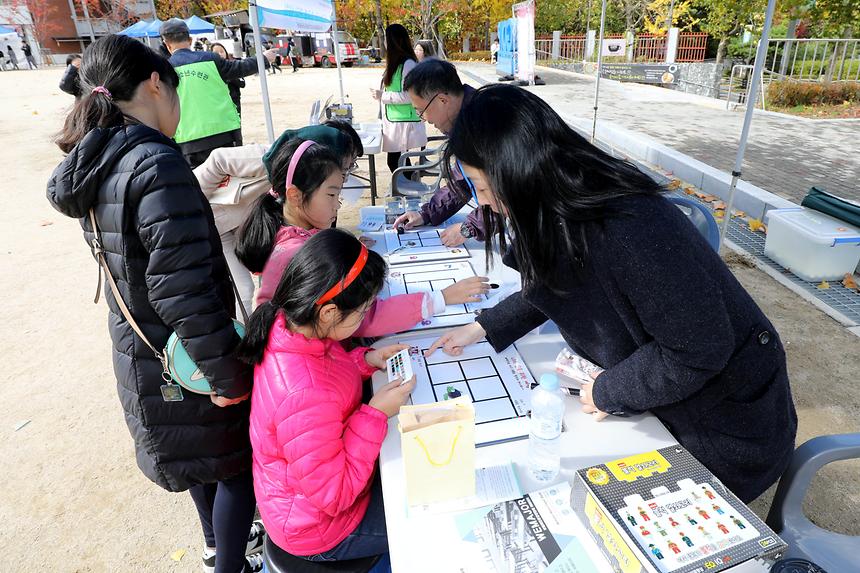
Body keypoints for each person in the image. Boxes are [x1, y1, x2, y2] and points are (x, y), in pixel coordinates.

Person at [426, 85, 798, 503]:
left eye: (484, 186)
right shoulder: (557, 206)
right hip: (670, 402)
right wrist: (483, 326)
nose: (486, 203)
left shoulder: (631, 225)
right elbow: (551, 282)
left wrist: (608, 391)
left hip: (724, 427)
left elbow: (699, 350)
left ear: (519, 169)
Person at [46, 34, 265, 573]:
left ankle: (217, 546)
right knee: (235, 462)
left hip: (143, 346)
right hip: (185, 350)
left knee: (198, 459)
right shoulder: (154, 163)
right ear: (153, 84)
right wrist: (227, 376)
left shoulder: (97, 158)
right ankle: (230, 565)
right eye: (174, 91)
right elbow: (182, 289)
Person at [240, 228, 415, 563]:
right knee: (425, 516)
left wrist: (365, 360)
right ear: (329, 313)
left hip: (308, 499)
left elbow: (325, 373)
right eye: (363, 311)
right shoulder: (302, 394)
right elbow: (335, 495)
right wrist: (375, 413)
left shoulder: (291, 327)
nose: (365, 317)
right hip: (322, 528)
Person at [234, 134, 489, 335]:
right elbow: (362, 318)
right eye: (332, 195)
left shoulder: (292, 236)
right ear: (295, 195)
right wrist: (440, 298)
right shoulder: (300, 253)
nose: (338, 205)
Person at [394, 58, 488, 246]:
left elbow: (510, 192)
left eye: (421, 111)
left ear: (442, 100)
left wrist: (469, 227)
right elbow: (462, 181)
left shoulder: (485, 124)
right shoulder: (466, 121)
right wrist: (426, 213)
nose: (423, 119)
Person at [160, 18, 275, 168]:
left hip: (189, 141)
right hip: (224, 133)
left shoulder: (164, 70)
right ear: (189, 39)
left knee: (201, 183)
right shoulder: (211, 59)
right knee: (231, 180)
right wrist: (264, 59)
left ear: (167, 45)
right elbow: (240, 68)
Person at [370, 24, 426, 175]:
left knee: (397, 163)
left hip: (404, 123)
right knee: (401, 163)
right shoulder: (398, 63)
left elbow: (409, 96)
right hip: (396, 121)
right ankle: (408, 192)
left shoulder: (408, 64)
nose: (385, 44)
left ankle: (409, 193)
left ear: (394, 41)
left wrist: (383, 96)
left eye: (387, 40)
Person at [211, 42, 244, 115]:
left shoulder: (233, 65)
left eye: (221, 51)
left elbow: (242, 83)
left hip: (234, 101)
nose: (220, 54)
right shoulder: (210, 69)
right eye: (216, 52)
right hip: (218, 103)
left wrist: (230, 75)